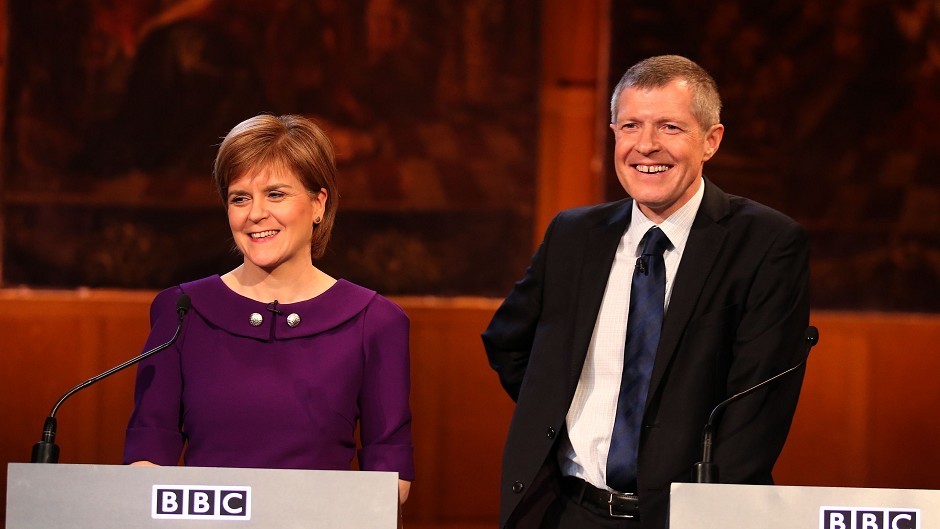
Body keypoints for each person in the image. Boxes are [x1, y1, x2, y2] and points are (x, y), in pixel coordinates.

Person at [482, 55, 810, 529]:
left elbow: (758, 409)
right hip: (569, 512)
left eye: (670, 127)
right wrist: (562, 414)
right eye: (631, 125)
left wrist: (710, 515)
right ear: (614, 133)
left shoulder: (766, 243)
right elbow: (508, 343)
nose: (646, 146)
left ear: (711, 141)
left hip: (691, 517)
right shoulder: (575, 235)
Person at [123, 114, 414, 505]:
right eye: (240, 197)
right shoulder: (182, 311)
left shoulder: (375, 322)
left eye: (275, 194)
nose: (255, 213)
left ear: (318, 203)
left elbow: (390, 479)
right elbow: (147, 457)